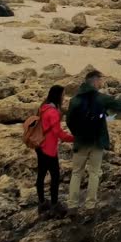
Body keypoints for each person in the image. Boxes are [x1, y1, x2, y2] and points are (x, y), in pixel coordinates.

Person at [66, 70, 121, 211]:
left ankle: (72, 204)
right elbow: (118, 104)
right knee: (94, 173)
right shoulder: (101, 98)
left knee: (76, 173)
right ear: (95, 81)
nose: (101, 83)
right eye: (100, 80)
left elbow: (69, 121)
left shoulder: (74, 100)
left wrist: (77, 134)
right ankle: (90, 204)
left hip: (81, 142)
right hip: (97, 142)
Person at [37, 85, 73, 216]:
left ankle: (41, 203)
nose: (64, 97)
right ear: (58, 96)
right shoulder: (53, 112)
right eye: (63, 95)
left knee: (41, 175)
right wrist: (75, 138)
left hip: (39, 146)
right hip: (49, 149)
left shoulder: (43, 107)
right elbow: (59, 133)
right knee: (55, 176)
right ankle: (54, 205)